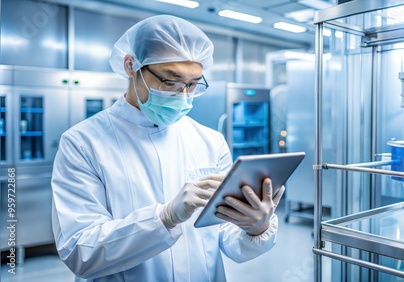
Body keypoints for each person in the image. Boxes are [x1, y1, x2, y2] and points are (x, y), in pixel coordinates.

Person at [51, 15, 285, 282]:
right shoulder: (83, 143)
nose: (183, 95)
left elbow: (225, 238)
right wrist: (163, 218)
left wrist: (254, 228)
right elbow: (80, 251)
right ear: (131, 66)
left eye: (193, 84)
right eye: (170, 82)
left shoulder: (210, 141)